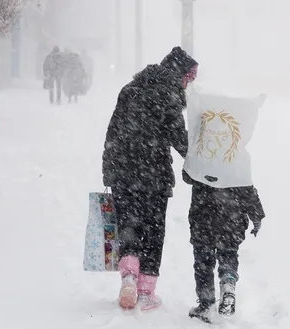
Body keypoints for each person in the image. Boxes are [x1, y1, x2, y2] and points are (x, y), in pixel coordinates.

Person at [102, 46, 198, 311]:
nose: (186, 85)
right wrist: (200, 165)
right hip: (154, 174)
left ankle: (129, 277)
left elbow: (113, 132)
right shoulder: (169, 96)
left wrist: (108, 171)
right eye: (187, 79)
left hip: (123, 172)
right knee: (154, 230)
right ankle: (145, 291)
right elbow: (179, 139)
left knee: (129, 224)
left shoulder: (130, 89)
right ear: (178, 74)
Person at [182, 93, 267, 323]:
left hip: (202, 218)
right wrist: (257, 216)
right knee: (229, 254)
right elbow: (249, 191)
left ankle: (206, 303)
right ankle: (228, 284)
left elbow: (187, 177)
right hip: (232, 219)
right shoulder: (237, 161)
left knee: (203, 260)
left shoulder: (202, 157)